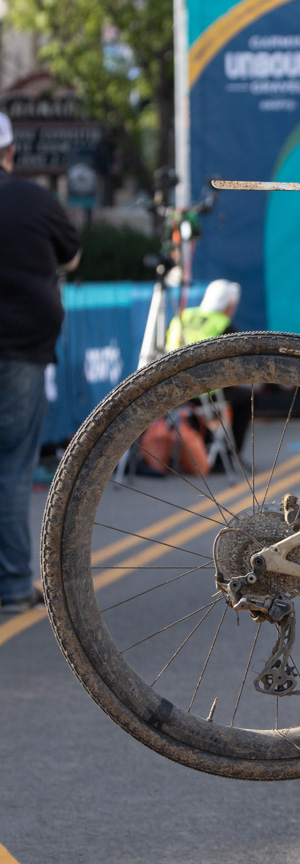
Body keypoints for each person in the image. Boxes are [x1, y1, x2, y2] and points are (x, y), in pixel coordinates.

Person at [0, 110, 81, 613]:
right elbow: (70, 257)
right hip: (18, 351)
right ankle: (11, 585)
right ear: (9, 153)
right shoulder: (34, 200)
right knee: (11, 468)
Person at [164, 279, 251, 454]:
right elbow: (238, 365)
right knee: (247, 398)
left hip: (171, 387)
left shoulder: (182, 315)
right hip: (204, 391)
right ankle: (227, 455)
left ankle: (203, 444)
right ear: (227, 304)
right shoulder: (222, 324)